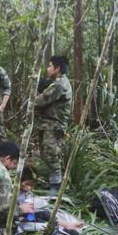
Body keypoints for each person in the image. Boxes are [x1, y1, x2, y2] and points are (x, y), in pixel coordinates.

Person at [34, 55, 72, 195]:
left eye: (50, 66)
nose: (48, 68)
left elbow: (40, 101)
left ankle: (56, 186)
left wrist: (34, 96)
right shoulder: (56, 82)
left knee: (52, 154)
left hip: (54, 124)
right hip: (47, 123)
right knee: (45, 152)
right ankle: (53, 181)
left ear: (58, 68)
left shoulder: (59, 85)